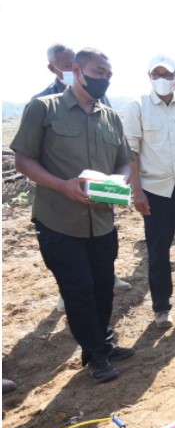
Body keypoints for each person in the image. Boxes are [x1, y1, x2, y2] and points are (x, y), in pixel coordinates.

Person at [11, 48, 135, 383]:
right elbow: (23, 160)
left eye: (109, 74)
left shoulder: (111, 117)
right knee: (78, 289)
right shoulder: (44, 109)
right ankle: (95, 355)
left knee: (102, 288)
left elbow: (124, 161)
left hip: (102, 221)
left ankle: (103, 342)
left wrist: (119, 181)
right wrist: (62, 185)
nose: (104, 79)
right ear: (77, 70)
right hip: (59, 222)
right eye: (98, 72)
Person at [124, 55, 175, 329]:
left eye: (167, 74)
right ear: (150, 77)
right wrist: (137, 190)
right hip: (155, 192)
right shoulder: (138, 107)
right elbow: (131, 150)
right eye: (156, 74)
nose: (162, 79)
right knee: (159, 252)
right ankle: (162, 308)